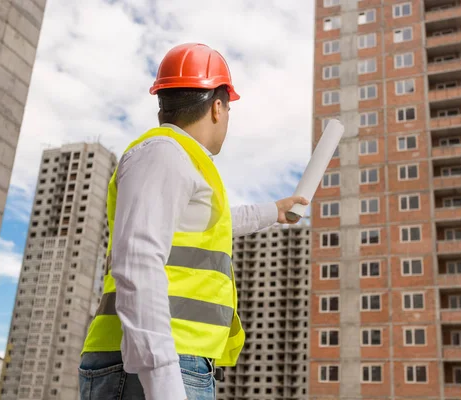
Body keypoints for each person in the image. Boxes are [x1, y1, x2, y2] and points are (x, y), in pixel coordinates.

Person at [78, 43, 308, 400]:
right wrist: (164, 379)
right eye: (229, 108)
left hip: (165, 360)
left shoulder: (177, 157)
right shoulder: (164, 153)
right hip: (151, 364)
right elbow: (137, 262)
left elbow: (210, 225)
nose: (228, 117)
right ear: (217, 107)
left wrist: (272, 211)